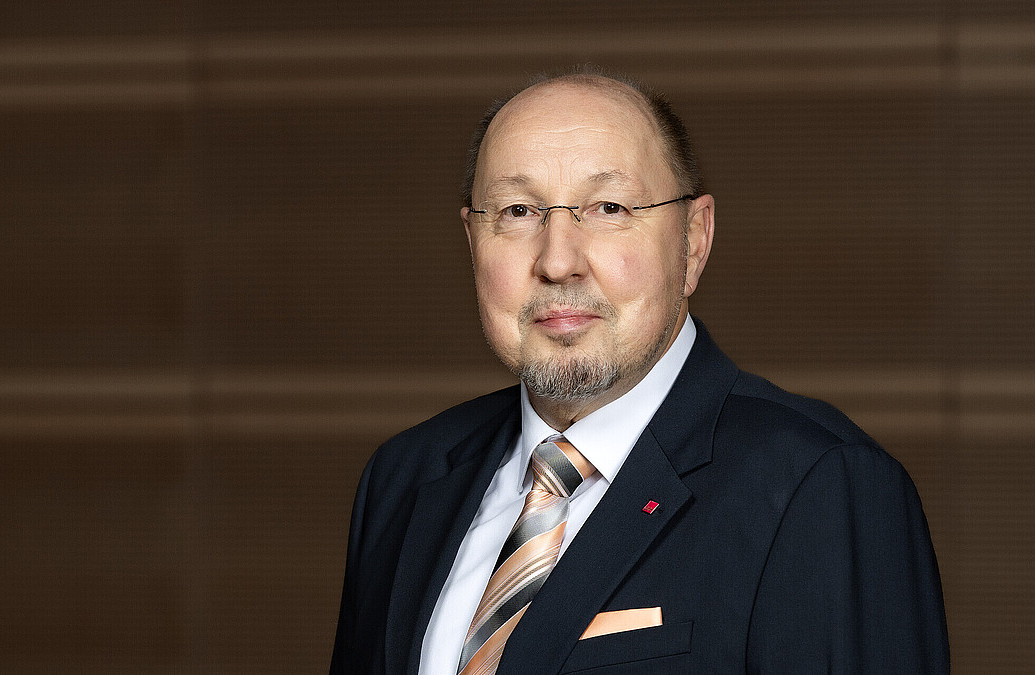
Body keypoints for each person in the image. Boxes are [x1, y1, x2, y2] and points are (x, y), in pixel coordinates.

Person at [330, 69, 949, 674]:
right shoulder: (405, 478)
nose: (558, 262)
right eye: (518, 211)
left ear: (694, 240)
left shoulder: (820, 486)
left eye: (608, 207)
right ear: (472, 242)